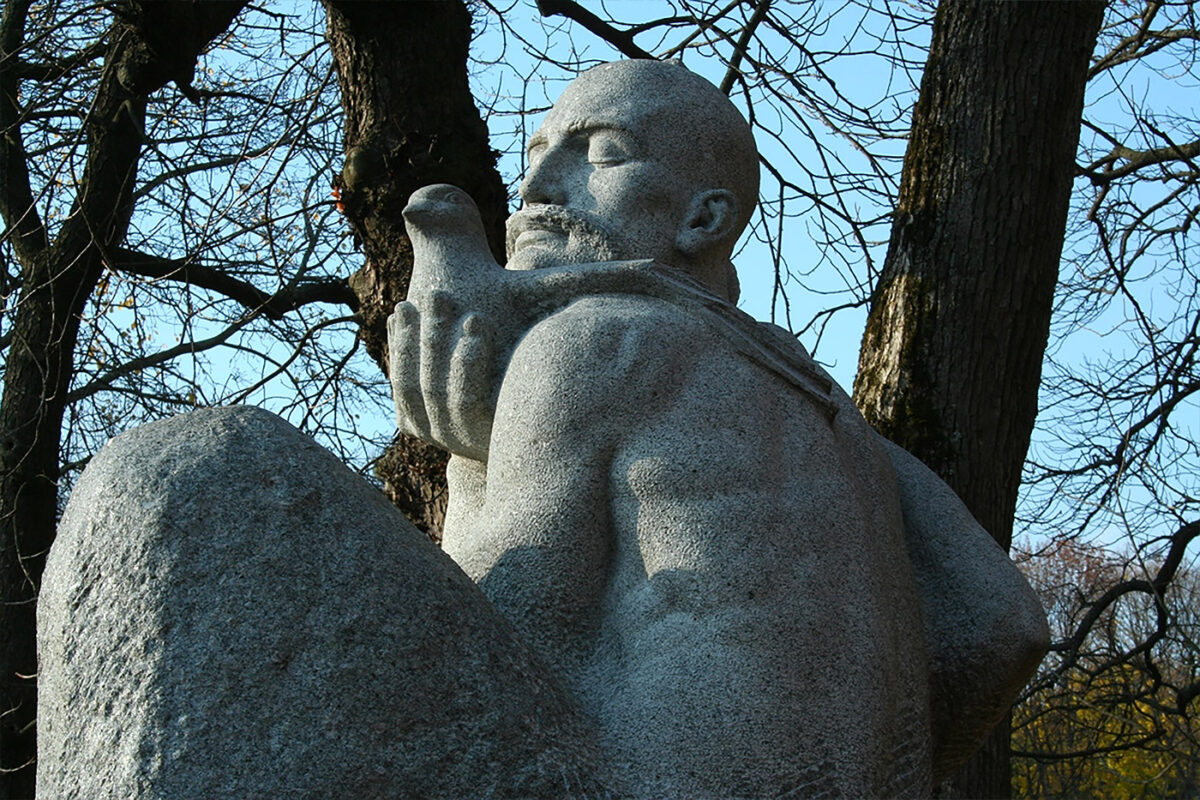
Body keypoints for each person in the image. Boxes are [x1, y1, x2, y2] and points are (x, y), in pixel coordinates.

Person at [388, 59, 1048, 798]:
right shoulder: (840, 420)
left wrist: (472, 460)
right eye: (536, 155)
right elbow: (1003, 625)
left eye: (601, 152)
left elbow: (507, 634)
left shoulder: (595, 340)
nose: (537, 190)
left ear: (704, 218)